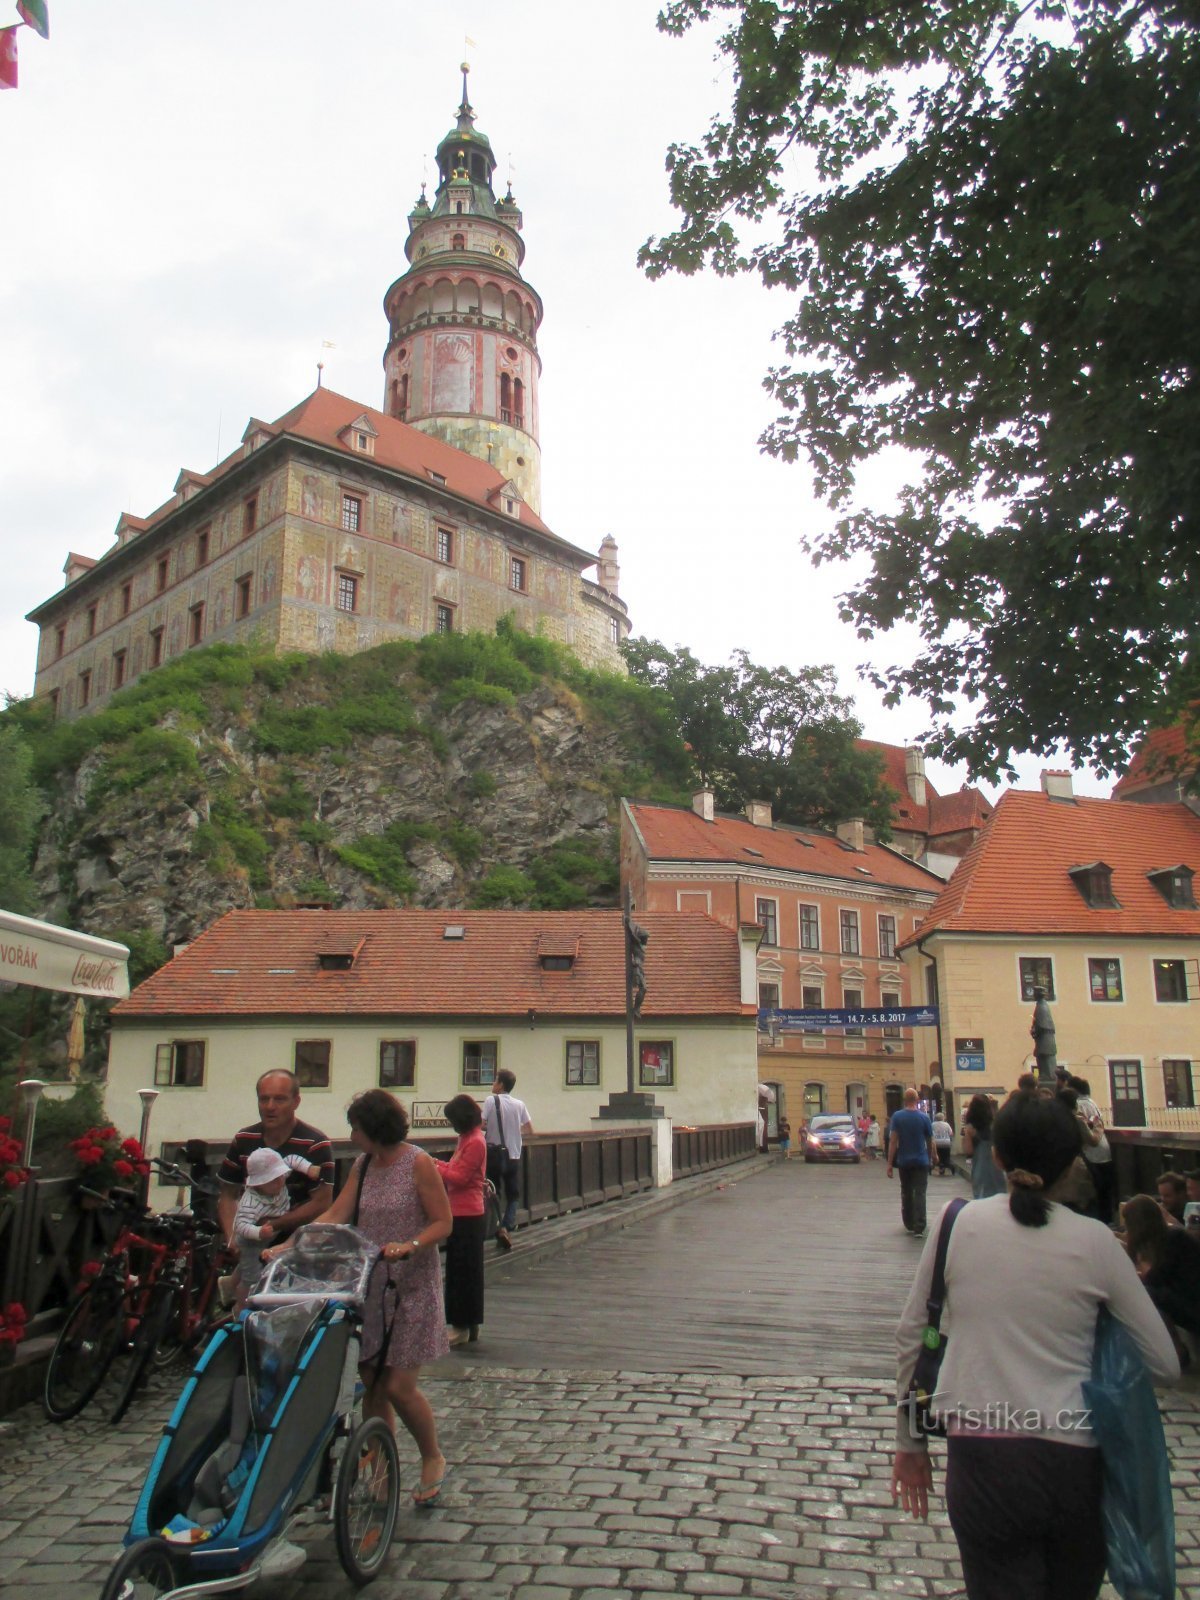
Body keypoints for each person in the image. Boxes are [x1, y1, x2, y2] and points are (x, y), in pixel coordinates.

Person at [893, 1094, 1179, 1600]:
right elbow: (1164, 1363)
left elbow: (915, 1334)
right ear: (1071, 1163)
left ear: (996, 1155)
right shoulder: (1095, 1242)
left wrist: (911, 1443)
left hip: (982, 1459)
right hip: (1073, 1461)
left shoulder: (956, 1223)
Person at [264, 1088, 453, 1506]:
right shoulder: (364, 1166)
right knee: (372, 1385)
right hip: (370, 1285)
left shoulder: (417, 1163)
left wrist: (411, 1244)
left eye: (356, 1128)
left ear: (374, 1128)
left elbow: (443, 1222)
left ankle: (432, 1457)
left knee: (400, 1385)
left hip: (412, 1287)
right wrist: (293, 1242)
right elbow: (337, 1214)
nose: (351, 1136)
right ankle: (382, 1473)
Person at [217, 1070, 334, 1247]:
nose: (270, 1106)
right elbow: (228, 1195)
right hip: (251, 1242)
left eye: (279, 1099)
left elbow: (322, 1202)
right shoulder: (244, 1139)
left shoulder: (315, 1143)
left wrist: (274, 1224)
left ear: (296, 1102)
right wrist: (233, 1237)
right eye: (264, 1099)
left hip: (299, 1244)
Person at [230, 1147, 321, 1308]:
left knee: (244, 1265)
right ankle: (241, 1306)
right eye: (273, 1180)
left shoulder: (280, 1177)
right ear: (259, 1183)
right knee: (251, 1275)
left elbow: (292, 1158)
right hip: (252, 1241)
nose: (280, 1181)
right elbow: (240, 1225)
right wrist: (258, 1232)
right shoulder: (250, 1203)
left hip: (271, 1232)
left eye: (280, 1176)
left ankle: (229, 1283)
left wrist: (308, 1168)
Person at [1121, 1193, 1200, 1360]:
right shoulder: (1171, 1237)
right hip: (1189, 1301)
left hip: (1193, 1305)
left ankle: (1176, 1350)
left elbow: (1154, 1278)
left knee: (1147, 1294)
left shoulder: (1174, 1239)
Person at [435, 1095, 487, 1347]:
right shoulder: (468, 1139)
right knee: (465, 1270)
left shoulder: (475, 1141)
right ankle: (470, 1324)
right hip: (460, 1211)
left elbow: (459, 1177)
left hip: (467, 1212)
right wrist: (438, 1164)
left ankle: (461, 1327)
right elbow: (456, 1169)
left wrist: (434, 1167)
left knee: (462, 1272)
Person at [482, 1069, 533, 1250]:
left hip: (494, 1154)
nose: (493, 1084)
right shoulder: (519, 1104)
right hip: (513, 1155)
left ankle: (497, 1226)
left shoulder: (490, 1101)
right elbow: (529, 1129)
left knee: (494, 1191)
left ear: (501, 1084)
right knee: (514, 1194)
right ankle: (507, 1225)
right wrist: (514, 1133)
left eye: (495, 1080)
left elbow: (481, 1124)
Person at [1067, 1076, 1114, 1224]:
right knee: (1105, 1192)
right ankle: (1108, 1220)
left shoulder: (1079, 1106)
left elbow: (1088, 1137)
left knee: (1094, 1192)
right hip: (1104, 1152)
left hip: (1090, 1155)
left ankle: (1098, 1221)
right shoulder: (1092, 1103)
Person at [887, 1088, 935, 1236]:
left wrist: (889, 1163)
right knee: (920, 1192)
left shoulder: (897, 1117)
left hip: (904, 1161)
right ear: (917, 1100)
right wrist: (932, 1156)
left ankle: (909, 1222)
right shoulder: (924, 1118)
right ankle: (920, 1225)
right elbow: (930, 1140)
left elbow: (893, 1141)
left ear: (904, 1100)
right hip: (921, 1161)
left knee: (906, 1191)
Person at [960, 1094, 1005, 1200]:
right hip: (998, 1168)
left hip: (980, 1169)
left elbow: (968, 1150)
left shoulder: (970, 1129)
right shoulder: (996, 1125)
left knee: (981, 1197)